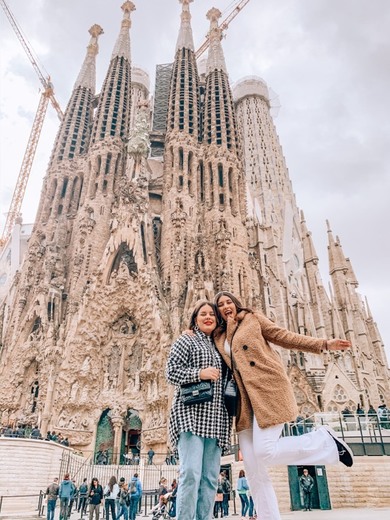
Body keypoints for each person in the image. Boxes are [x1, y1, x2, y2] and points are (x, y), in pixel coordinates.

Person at [213, 291, 354, 520]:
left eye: (229, 301)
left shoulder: (253, 319)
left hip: (268, 391)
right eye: (220, 305)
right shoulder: (219, 336)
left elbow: (284, 336)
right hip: (244, 404)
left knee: (265, 451)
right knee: (253, 470)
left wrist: (324, 344)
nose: (226, 306)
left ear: (236, 303)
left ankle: (324, 441)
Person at [166, 300, 232, 520]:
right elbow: (171, 372)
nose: (208, 317)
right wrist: (199, 373)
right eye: (202, 314)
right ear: (195, 318)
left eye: (211, 314)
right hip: (191, 416)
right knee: (191, 474)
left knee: (211, 478)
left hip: (216, 419)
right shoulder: (187, 339)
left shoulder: (220, 344)